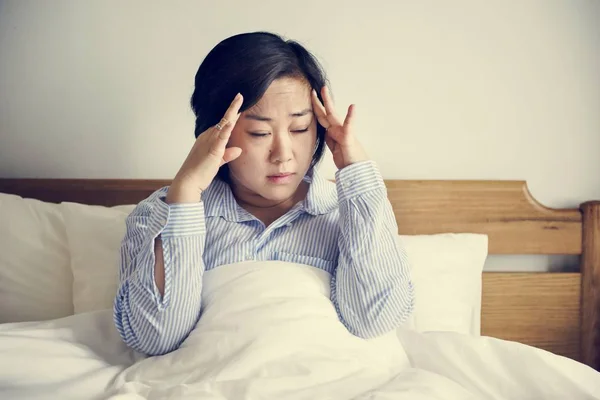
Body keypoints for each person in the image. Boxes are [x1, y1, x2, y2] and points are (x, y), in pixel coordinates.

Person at [113, 31, 414, 356]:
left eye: (300, 129)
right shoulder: (160, 215)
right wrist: (184, 195)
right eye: (260, 132)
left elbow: (374, 320)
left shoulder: (347, 215)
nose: (283, 154)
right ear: (215, 132)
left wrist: (357, 172)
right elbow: (155, 338)